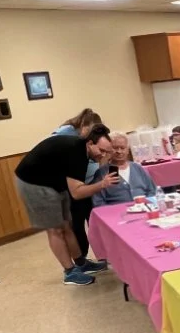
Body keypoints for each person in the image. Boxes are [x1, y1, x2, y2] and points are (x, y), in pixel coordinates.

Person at [14, 124, 116, 286]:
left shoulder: (82, 152)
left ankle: (81, 263)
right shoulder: (76, 153)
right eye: (101, 151)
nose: (102, 155)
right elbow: (77, 192)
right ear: (90, 144)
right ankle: (69, 272)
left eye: (107, 152)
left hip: (53, 181)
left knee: (66, 225)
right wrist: (102, 185)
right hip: (33, 182)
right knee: (55, 228)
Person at [54, 109, 103, 272]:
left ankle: (98, 257)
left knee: (94, 221)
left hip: (88, 184)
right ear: (83, 125)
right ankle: (80, 261)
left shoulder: (88, 137)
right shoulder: (64, 134)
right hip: (71, 188)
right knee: (76, 225)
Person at [90, 132, 158, 206]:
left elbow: (152, 191)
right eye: (115, 148)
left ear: (128, 150)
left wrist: (148, 205)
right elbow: (98, 201)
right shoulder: (102, 172)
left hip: (144, 209)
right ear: (109, 150)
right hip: (117, 214)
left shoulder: (138, 168)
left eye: (122, 148)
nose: (119, 151)